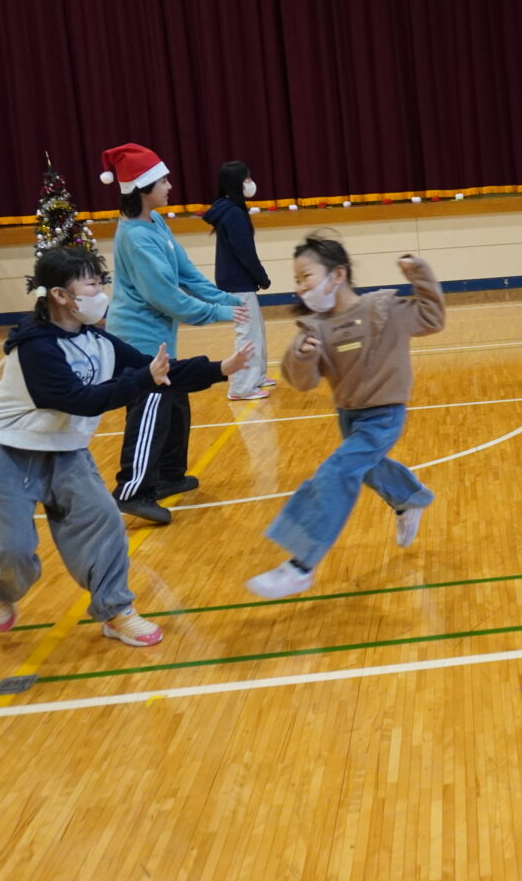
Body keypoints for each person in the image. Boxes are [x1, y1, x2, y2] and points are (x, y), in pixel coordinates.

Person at [0, 247, 251, 646]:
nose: (101, 290)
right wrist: (144, 380)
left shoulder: (100, 341)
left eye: (101, 281)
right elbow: (77, 399)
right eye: (91, 282)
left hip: (67, 453)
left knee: (105, 526)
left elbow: (158, 372)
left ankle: (115, 611)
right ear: (61, 296)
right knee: (12, 549)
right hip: (8, 454)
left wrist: (221, 368)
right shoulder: (34, 346)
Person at [246, 236, 444, 599]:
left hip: (384, 415)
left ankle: (301, 565)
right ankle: (409, 496)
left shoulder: (382, 309)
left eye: (305, 276)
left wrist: (421, 275)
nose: (300, 286)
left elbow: (432, 318)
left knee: (335, 474)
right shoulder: (315, 327)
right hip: (348, 416)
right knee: (367, 467)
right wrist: (303, 356)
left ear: (337, 275)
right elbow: (301, 382)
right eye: (297, 280)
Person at [98, 142, 247, 525]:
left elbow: (185, 274)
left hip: (160, 340)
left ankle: (166, 476)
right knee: (150, 411)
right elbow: (167, 298)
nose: (169, 184)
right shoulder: (135, 236)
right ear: (143, 188)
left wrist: (224, 299)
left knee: (175, 405)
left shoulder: (155, 223)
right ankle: (132, 491)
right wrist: (219, 313)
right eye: (161, 179)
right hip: (138, 344)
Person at [203, 160, 274, 401]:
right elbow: (245, 252)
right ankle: (242, 387)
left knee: (256, 330)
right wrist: (262, 278)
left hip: (237, 281)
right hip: (237, 283)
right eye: (246, 179)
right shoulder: (232, 213)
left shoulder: (231, 209)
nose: (250, 183)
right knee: (248, 333)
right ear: (235, 183)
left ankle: (257, 377)